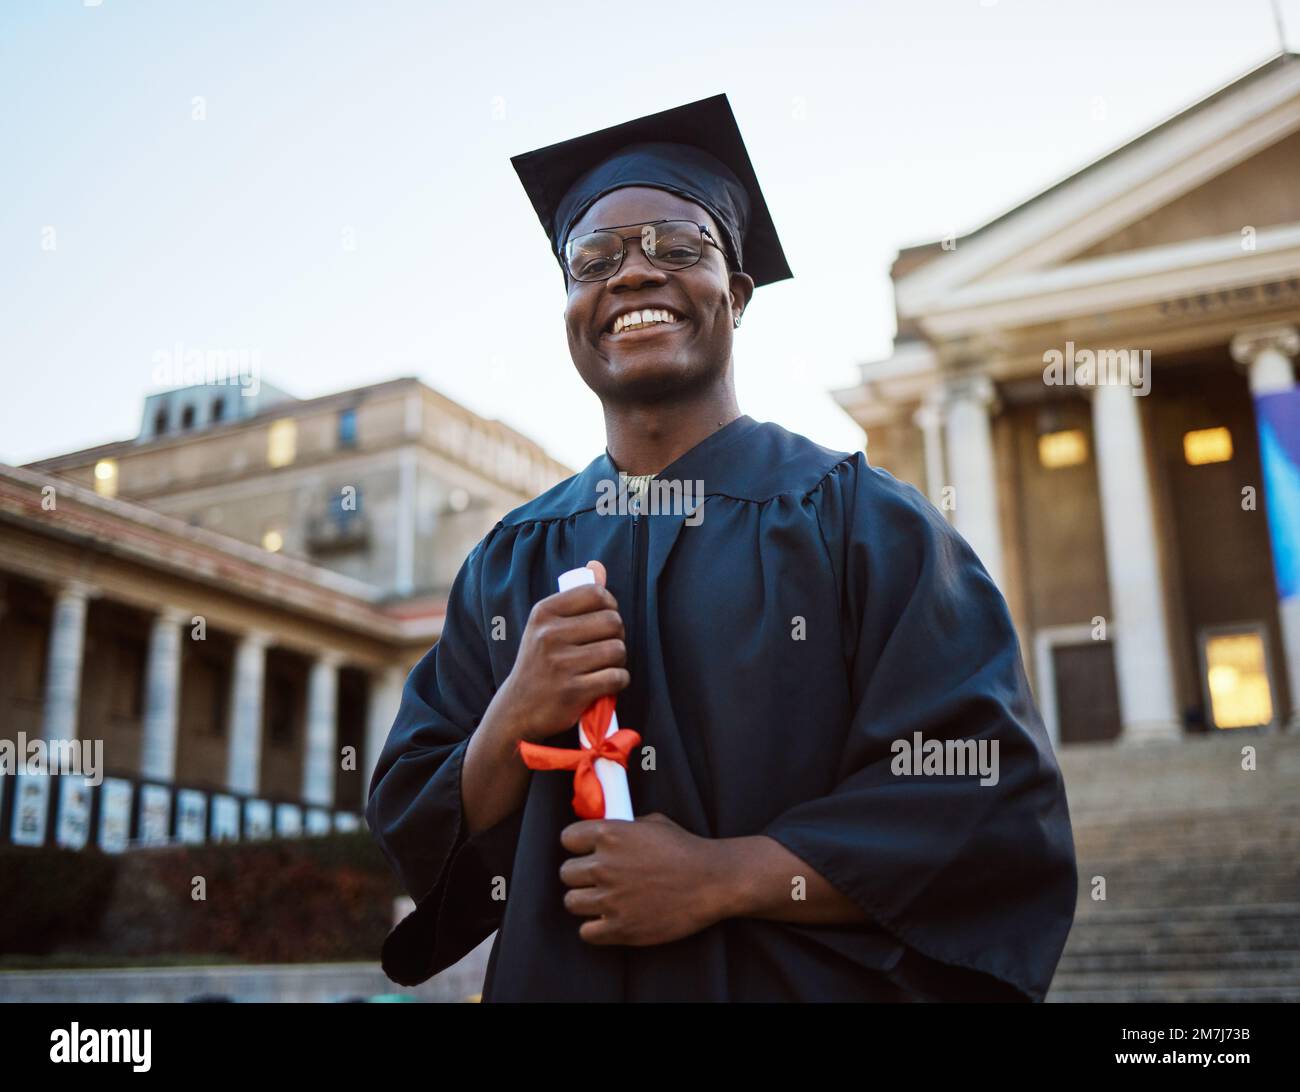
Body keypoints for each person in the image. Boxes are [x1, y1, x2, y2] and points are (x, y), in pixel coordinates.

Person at [366, 94, 1077, 1002]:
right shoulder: (510, 561)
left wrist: (723, 876)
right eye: (594, 260)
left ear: (735, 296)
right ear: (571, 307)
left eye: (677, 246)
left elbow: (987, 803)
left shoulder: (865, 524)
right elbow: (413, 829)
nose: (631, 274)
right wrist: (513, 715)